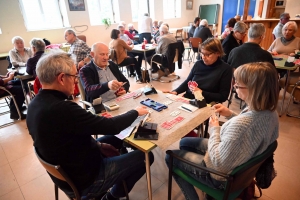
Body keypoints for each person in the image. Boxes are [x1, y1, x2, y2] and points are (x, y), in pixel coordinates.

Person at [27, 52, 154, 200]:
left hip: (70, 166)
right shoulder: (63, 109)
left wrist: (98, 146)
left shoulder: (35, 104)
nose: (76, 82)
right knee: (146, 156)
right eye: (74, 77)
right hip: (87, 178)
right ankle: (111, 197)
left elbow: (69, 138)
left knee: (120, 138)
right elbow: (110, 126)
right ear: (62, 78)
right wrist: (135, 112)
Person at [165, 62, 279, 200]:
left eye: (238, 85)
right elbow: (251, 128)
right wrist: (230, 114)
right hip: (238, 158)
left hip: (219, 175)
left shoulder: (241, 125)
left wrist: (215, 129)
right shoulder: (270, 113)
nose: (235, 88)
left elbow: (219, 162)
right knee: (185, 142)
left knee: (170, 156)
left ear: (254, 90)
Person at [164, 38, 232, 104]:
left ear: (218, 53)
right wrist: (175, 91)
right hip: (189, 99)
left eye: (208, 54)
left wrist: (201, 92)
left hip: (205, 103)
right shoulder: (198, 64)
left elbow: (223, 97)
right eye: (202, 53)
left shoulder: (225, 69)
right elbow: (188, 82)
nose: (203, 57)